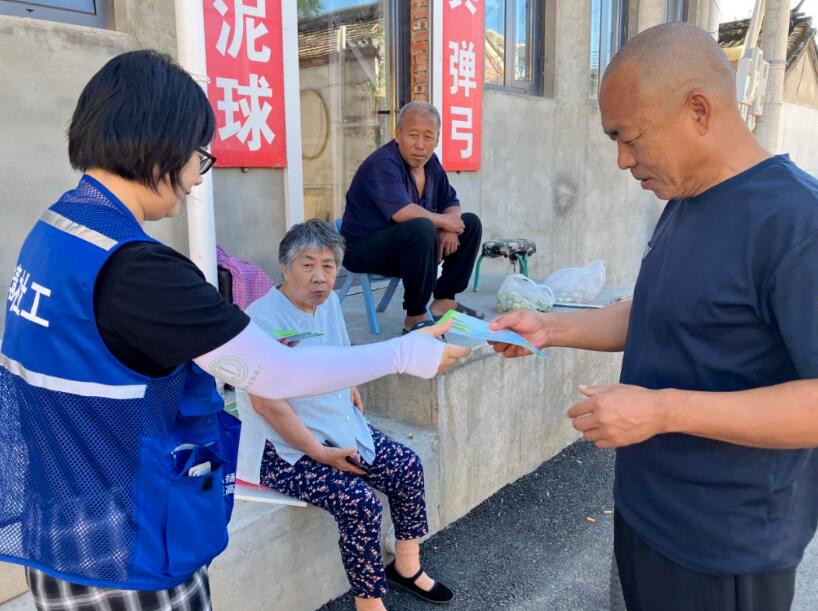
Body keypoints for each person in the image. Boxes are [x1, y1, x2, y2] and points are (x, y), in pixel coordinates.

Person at [0, 50, 468, 611]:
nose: (195, 179)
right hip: (126, 544)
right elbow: (275, 372)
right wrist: (406, 353)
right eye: (199, 156)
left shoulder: (55, 231)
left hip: (61, 518)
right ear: (161, 145)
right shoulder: (138, 270)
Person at [491, 23, 818, 611]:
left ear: (698, 110)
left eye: (629, 137)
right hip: (645, 514)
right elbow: (658, 312)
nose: (622, 160)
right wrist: (551, 328)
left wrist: (662, 410)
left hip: (725, 549)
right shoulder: (684, 199)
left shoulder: (802, 225)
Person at [236, 220, 453, 611]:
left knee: (406, 466)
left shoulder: (330, 303)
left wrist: (348, 386)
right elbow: (267, 404)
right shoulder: (260, 320)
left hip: (334, 424)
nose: (320, 277)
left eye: (329, 265)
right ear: (284, 267)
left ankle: (406, 566)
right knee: (359, 502)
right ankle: (369, 604)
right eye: (308, 265)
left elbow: (341, 354)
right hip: (282, 448)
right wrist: (318, 452)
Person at [340, 101, 484, 333]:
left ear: (437, 140)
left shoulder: (431, 163)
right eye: (413, 135)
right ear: (398, 134)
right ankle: (415, 316)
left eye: (428, 137)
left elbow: (450, 202)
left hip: (410, 247)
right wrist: (445, 223)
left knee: (471, 224)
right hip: (363, 249)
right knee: (421, 228)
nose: (420, 145)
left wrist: (450, 227)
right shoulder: (382, 163)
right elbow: (403, 213)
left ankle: (444, 301)